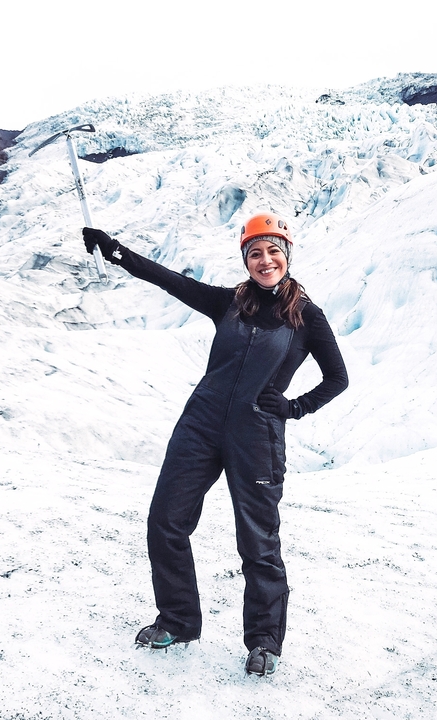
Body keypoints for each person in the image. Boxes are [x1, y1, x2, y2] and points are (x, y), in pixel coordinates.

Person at [82, 212, 348, 676]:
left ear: (287, 255)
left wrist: (292, 408)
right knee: (166, 519)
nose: (265, 261)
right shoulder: (229, 303)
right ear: (245, 259)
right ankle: (178, 620)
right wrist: (115, 250)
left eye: (273, 251)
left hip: (257, 435)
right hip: (201, 423)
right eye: (255, 253)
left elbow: (338, 379)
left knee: (258, 541)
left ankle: (264, 641)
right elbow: (167, 279)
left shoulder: (307, 316)